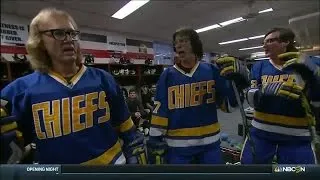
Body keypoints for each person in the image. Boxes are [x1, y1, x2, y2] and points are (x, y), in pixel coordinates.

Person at [0, 8, 146, 165]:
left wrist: (134, 151)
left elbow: (125, 125)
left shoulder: (104, 79)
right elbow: (14, 149)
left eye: (72, 33)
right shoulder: (18, 92)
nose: (68, 39)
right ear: (39, 41)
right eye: (59, 33)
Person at [147, 28, 250, 164]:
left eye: (183, 41)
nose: (178, 45)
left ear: (194, 45)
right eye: (176, 42)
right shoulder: (167, 75)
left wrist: (236, 87)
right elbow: (160, 108)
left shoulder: (211, 70)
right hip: (178, 145)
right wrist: (155, 136)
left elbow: (227, 106)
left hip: (210, 143)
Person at [242, 27, 320, 164]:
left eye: (270, 41)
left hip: (297, 137)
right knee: (251, 172)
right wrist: (263, 94)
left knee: (297, 174)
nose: (265, 45)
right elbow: (249, 98)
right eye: (264, 42)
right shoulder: (259, 66)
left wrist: (314, 78)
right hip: (261, 133)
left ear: (286, 42)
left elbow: (317, 100)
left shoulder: (311, 63)